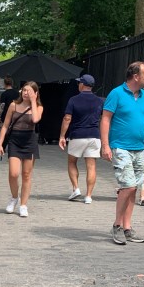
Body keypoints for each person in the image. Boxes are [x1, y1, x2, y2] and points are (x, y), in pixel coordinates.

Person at [100, 62, 144, 245]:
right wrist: (105, 145)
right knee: (128, 186)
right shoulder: (116, 94)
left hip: (139, 148)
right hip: (120, 146)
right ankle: (117, 226)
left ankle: (127, 228)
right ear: (136, 76)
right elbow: (105, 119)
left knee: (134, 187)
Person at [0, 80, 44, 217]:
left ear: (35, 93)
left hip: (29, 141)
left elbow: (35, 119)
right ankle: (14, 198)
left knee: (27, 174)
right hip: (15, 141)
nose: (25, 93)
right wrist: (0, 144)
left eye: (29, 91)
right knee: (13, 173)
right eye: (24, 90)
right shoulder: (14, 105)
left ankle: (23, 205)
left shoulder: (39, 107)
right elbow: (5, 126)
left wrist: (33, 101)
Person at [58, 74, 104, 204]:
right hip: (94, 135)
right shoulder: (100, 101)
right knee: (91, 166)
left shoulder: (73, 100)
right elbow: (104, 118)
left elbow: (67, 118)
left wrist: (62, 136)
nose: (78, 85)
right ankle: (88, 195)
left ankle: (76, 188)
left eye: (79, 83)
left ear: (82, 84)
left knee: (72, 162)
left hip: (77, 135)